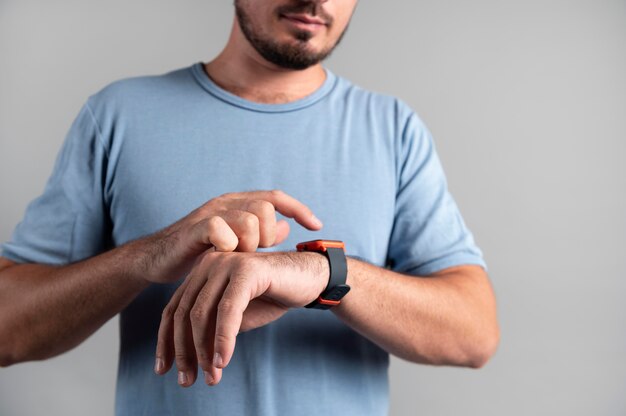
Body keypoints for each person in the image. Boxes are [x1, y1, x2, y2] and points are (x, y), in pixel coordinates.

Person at [0, 0, 499, 414]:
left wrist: (324, 275)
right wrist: (147, 257)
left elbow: (474, 334)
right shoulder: (115, 116)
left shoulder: (393, 130)